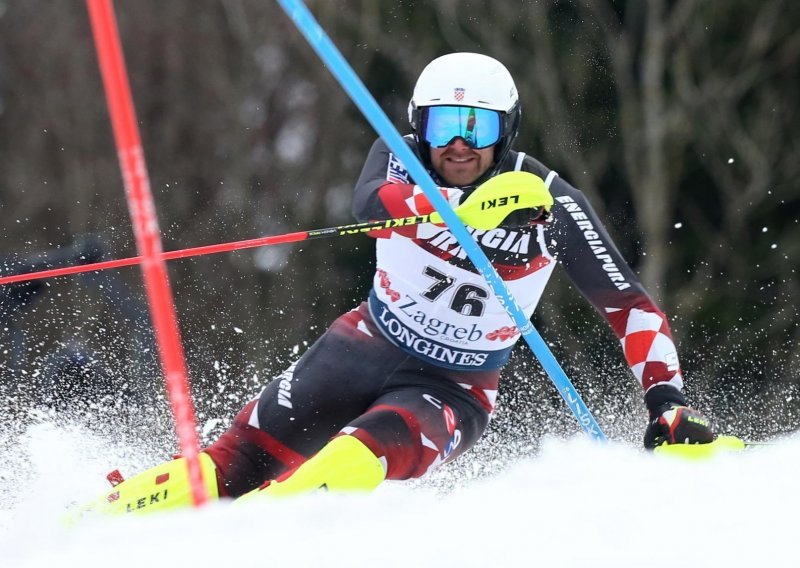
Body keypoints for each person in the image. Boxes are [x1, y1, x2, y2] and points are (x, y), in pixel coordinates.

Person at [86, 52, 714, 515]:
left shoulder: (552, 205)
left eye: (480, 126)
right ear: (421, 126)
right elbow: (374, 205)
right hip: (358, 347)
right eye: (445, 126)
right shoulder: (398, 158)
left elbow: (631, 307)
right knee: (229, 464)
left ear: (508, 130)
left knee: (347, 463)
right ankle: (89, 527)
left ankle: (250, 541)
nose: (461, 144)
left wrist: (665, 401)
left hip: (453, 387)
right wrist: (463, 214)